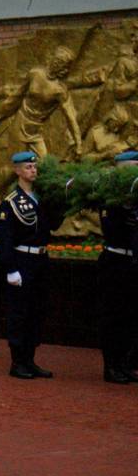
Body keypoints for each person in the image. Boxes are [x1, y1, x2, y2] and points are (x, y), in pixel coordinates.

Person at [0, 151, 54, 379]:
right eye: (28, 167)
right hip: (22, 261)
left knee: (36, 311)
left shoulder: (41, 198)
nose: (33, 170)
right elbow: (5, 240)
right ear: (17, 171)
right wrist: (11, 269)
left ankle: (30, 359)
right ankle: (17, 361)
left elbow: (53, 226)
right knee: (19, 312)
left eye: (34, 167)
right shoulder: (11, 203)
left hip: (40, 260)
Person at [97, 150, 138, 384]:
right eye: (131, 166)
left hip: (132, 261)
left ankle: (124, 363)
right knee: (113, 315)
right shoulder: (110, 195)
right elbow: (111, 229)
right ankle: (111, 365)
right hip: (114, 261)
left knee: (130, 315)